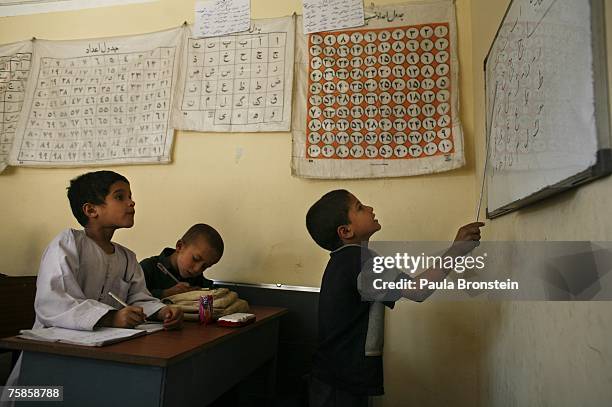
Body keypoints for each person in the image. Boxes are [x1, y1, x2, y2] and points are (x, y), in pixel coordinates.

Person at [305, 189, 484, 407]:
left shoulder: (344, 260)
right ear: (346, 231)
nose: (370, 209)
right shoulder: (361, 261)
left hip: (332, 376)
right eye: (360, 208)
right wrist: (455, 251)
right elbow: (417, 290)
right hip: (341, 383)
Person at [140, 223, 224, 298]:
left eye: (205, 266)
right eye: (195, 259)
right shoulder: (147, 268)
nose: (197, 269)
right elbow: (131, 299)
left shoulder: (197, 278)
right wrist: (165, 294)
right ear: (179, 246)